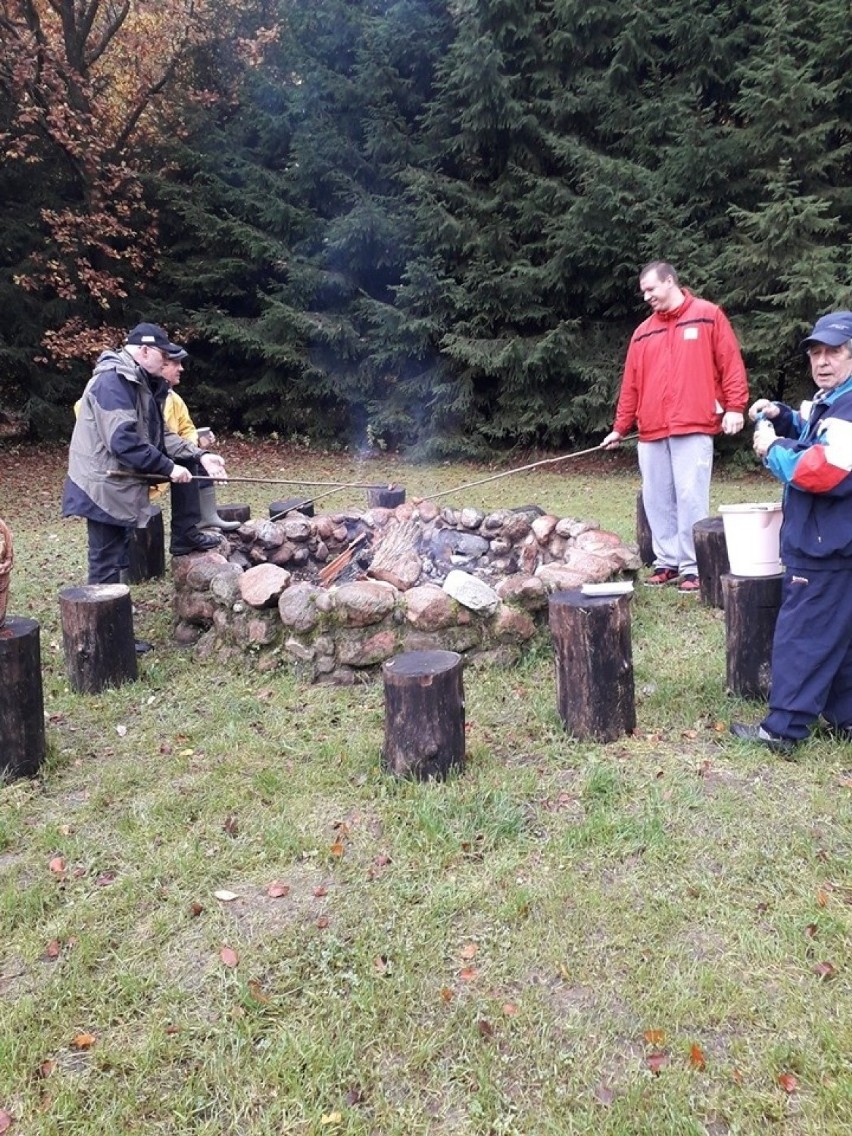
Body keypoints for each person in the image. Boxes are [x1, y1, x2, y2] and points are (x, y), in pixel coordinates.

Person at [730, 309, 852, 754]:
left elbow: (824, 470)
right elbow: (815, 433)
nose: (822, 361)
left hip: (823, 545)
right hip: (839, 543)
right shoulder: (834, 400)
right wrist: (783, 417)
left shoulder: (848, 405)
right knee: (841, 633)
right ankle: (845, 718)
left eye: (834, 352)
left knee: (802, 634)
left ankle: (783, 730)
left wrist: (772, 448)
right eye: (816, 353)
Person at [602, 261, 749, 592]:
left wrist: (735, 407)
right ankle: (666, 562)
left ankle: (693, 566)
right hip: (651, 429)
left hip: (693, 424)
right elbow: (631, 386)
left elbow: (731, 364)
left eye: (651, 289)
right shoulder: (643, 332)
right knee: (656, 498)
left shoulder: (708, 315)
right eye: (643, 292)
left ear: (670, 282)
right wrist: (620, 427)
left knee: (690, 495)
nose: (647, 297)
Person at [63, 323, 227, 592]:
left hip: (118, 482)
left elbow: (161, 435)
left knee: (117, 557)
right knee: (105, 563)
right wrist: (168, 467)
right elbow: (123, 441)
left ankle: (114, 624)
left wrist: (201, 455)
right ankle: (106, 632)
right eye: (163, 356)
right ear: (145, 350)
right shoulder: (112, 382)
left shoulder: (138, 382)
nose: (166, 363)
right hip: (102, 484)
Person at [156, 346, 239, 531]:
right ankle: (188, 529)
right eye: (176, 363)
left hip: (172, 452)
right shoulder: (146, 396)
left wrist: (197, 442)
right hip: (149, 458)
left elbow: (186, 428)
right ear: (161, 366)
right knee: (190, 459)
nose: (182, 369)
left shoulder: (173, 398)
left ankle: (206, 517)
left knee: (195, 459)